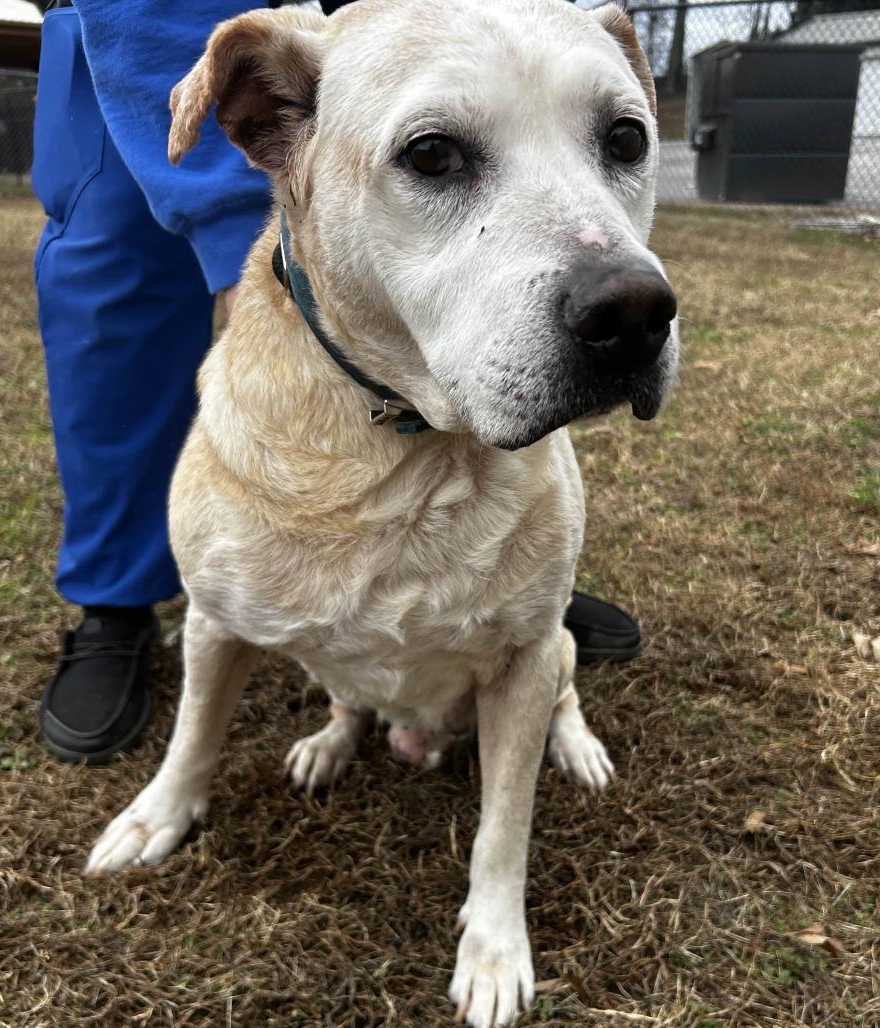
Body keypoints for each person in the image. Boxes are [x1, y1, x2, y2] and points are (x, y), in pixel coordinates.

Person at [33, 0, 642, 765]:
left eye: (622, 141)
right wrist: (239, 231)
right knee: (117, 277)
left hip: (401, 32)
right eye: (435, 156)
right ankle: (114, 600)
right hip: (143, 23)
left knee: (479, 100)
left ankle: (497, 607)